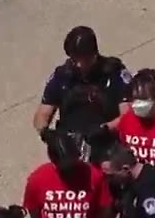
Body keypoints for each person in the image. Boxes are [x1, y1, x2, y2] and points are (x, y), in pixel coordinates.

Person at [33, 25, 133, 164]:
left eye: (84, 59)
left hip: (105, 147)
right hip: (70, 149)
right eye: (75, 59)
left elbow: (128, 115)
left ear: (94, 54)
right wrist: (47, 135)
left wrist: (105, 129)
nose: (79, 65)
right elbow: (41, 115)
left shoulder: (113, 73)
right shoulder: (62, 76)